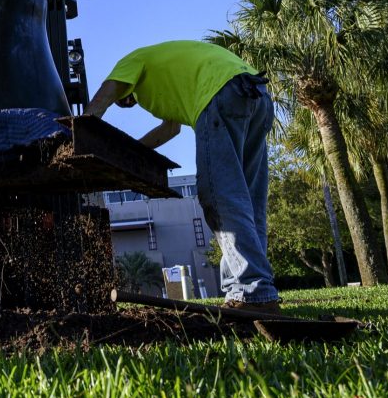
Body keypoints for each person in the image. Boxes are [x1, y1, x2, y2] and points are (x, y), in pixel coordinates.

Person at [85, 40, 280, 312]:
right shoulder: (164, 85)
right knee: (247, 199)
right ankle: (251, 289)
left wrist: (87, 125)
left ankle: (253, 291)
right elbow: (170, 130)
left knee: (220, 195)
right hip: (255, 95)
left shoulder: (133, 59)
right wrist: (128, 152)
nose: (130, 101)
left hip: (220, 93)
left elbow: (109, 89)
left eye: (127, 99)